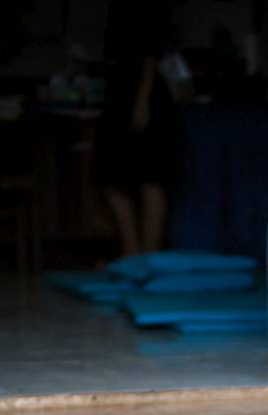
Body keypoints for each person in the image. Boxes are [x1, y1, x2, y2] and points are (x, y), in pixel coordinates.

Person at [94, 0, 181, 259]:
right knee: (109, 173)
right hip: (119, 91)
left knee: (151, 175)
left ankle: (149, 254)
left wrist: (142, 100)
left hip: (145, 95)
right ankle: (132, 250)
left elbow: (151, 52)